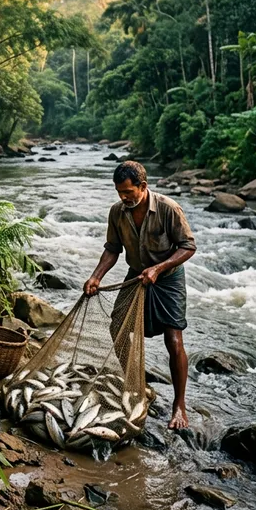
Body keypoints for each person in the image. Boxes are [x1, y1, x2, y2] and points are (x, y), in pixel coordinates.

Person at [83, 161, 196, 430]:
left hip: (168, 278)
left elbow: (188, 246)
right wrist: (96, 276)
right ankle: (135, 382)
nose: (124, 198)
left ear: (143, 187)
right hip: (137, 276)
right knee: (118, 325)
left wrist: (158, 268)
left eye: (128, 192)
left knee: (173, 337)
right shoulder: (117, 212)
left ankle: (179, 405)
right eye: (119, 192)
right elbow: (112, 249)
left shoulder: (168, 208)